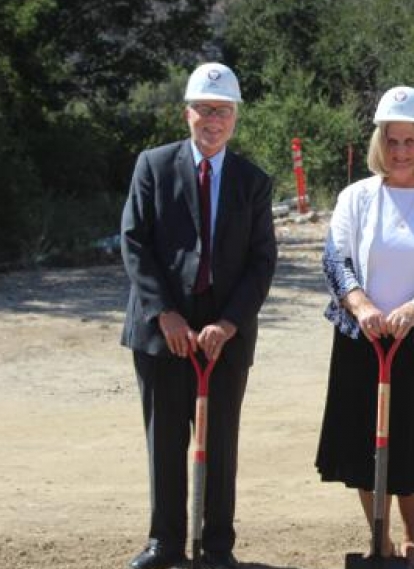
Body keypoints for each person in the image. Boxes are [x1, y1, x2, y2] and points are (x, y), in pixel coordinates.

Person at [120, 62, 277, 569]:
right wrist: (163, 313)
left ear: (235, 118)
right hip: (162, 331)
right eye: (205, 109)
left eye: (223, 111)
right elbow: (134, 242)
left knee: (220, 443)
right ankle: (165, 543)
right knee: (165, 439)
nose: (213, 120)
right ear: (187, 112)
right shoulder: (153, 165)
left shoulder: (253, 182)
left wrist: (229, 323)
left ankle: (216, 548)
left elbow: (261, 261)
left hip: (223, 334)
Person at [316, 85, 414, 569]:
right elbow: (336, 256)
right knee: (366, 445)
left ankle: (411, 539)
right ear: (379, 144)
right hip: (364, 338)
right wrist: (361, 305)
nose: (401, 151)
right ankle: (377, 540)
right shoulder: (356, 197)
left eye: (409, 141)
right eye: (393, 141)